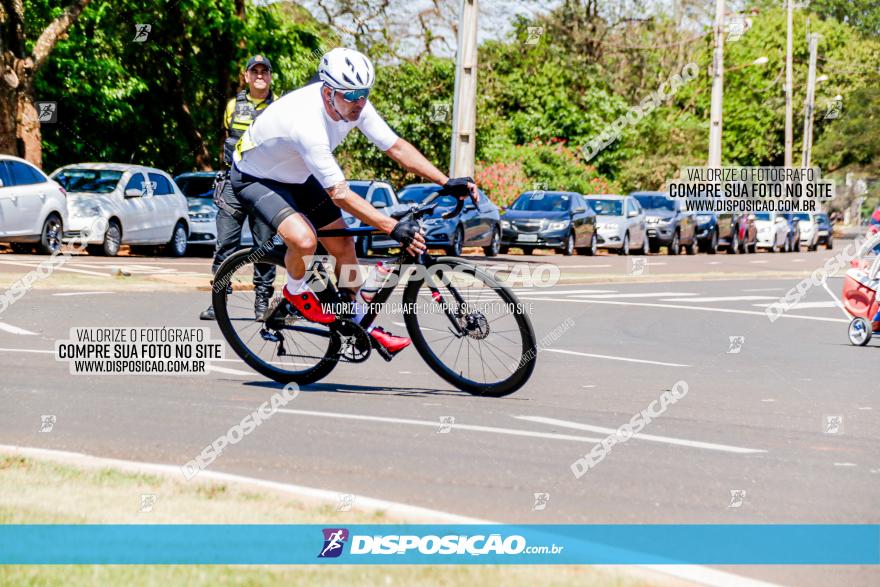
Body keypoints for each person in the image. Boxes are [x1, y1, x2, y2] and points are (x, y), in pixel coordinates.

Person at [231, 47, 476, 356]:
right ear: (328, 91)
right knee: (305, 240)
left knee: (345, 244)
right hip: (256, 177)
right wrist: (391, 227)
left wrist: (446, 180)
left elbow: (396, 147)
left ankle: (357, 319)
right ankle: (295, 292)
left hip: (298, 175)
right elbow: (340, 193)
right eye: (351, 95)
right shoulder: (306, 122)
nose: (359, 102)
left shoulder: (355, 104)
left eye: (364, 93)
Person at [200, 55, 280, 321]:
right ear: (246, 76)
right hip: (233, 182)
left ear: (270, 76)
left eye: (264, 71)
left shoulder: (280, 107)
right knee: (225, 246)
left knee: (265, 247)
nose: (259, 75)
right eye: (254, 71)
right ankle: (218, 301)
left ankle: (262, 303)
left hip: (266, 184)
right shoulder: (232, 105)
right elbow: (227, 137)